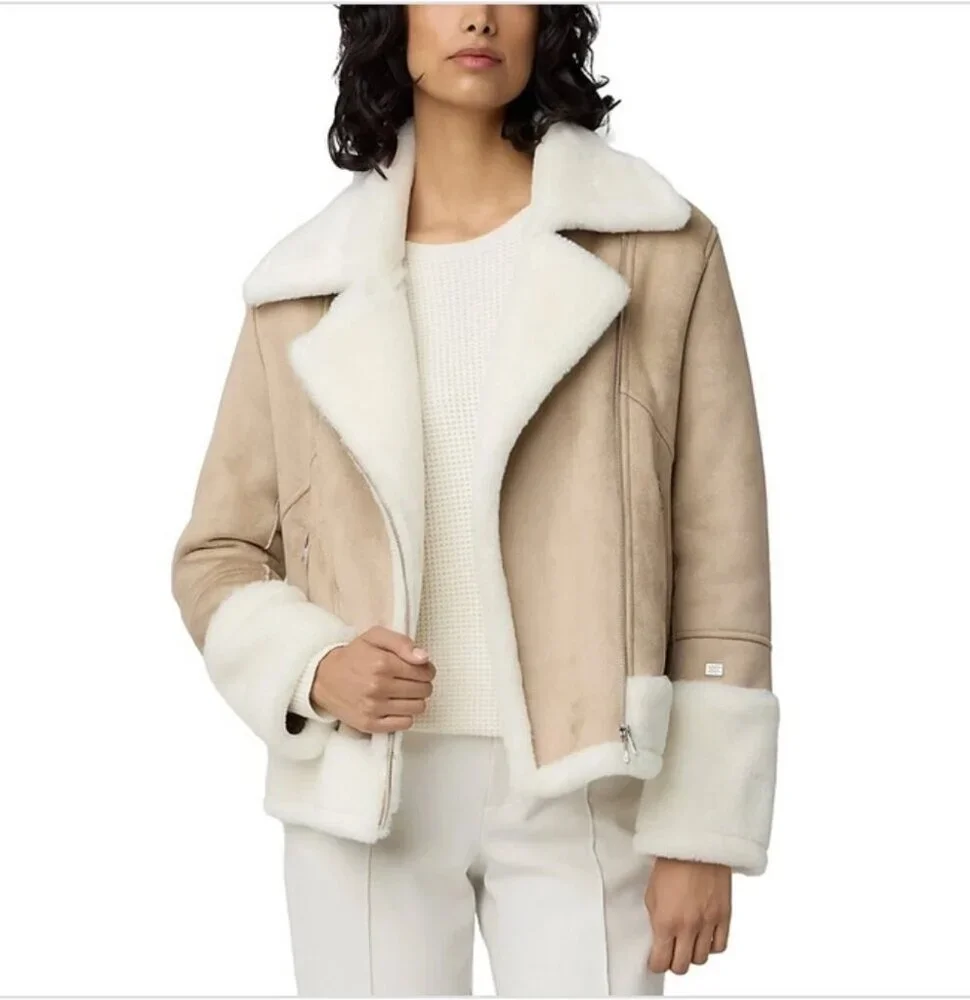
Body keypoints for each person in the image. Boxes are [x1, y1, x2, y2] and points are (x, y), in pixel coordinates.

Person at [170, 4, 779, 996]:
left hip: (587, 783)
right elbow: (219, 551)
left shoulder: (660, 247)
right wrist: (315, 665)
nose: (480, 16)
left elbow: (720, 554)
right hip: (365, 797)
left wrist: (701, 828)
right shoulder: (301, 287)